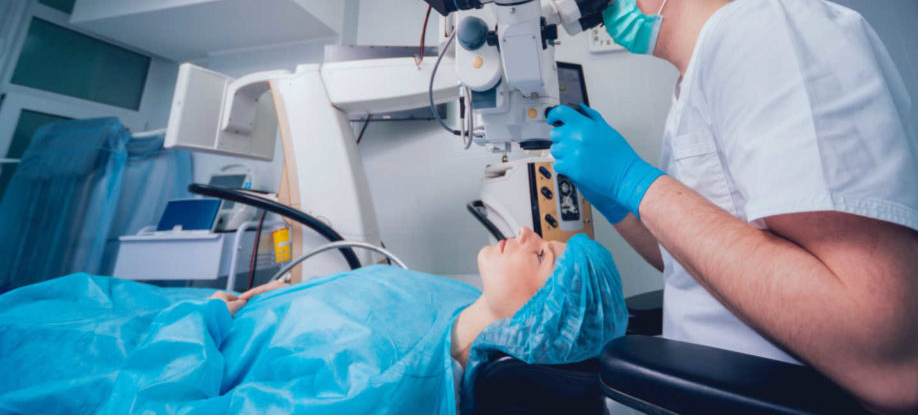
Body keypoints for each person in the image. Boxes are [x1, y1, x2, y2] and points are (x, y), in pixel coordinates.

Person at [546, 0, 918, 415]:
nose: (605, 11)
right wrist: (618, 204)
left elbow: (891, 363)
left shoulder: (766, 31)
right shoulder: (691, 90)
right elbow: (697, 260)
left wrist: (636, 182)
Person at [0, 227, 626, 414]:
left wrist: (204, 319)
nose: (525, 232)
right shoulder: (453, 302)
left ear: (538, 320)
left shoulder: (383, 387)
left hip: (133, 360)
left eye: (542, 255)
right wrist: (280, 302)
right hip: (179, 323)